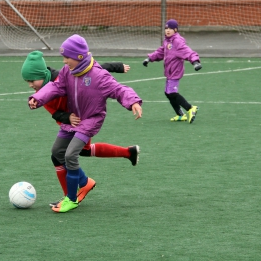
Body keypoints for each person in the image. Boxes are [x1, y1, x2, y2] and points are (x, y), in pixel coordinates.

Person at [28, 34, 143, 213]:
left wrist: (133, 101)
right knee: (57, 152)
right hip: (73, 120)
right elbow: (56, 87)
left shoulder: (98, 76)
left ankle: (72, 199)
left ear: (80, 57)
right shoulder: (68, 71)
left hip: (90, 120)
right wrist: (38, 97)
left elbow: (120, 89)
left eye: (67, 58)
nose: (64, 61)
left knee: (70, 154)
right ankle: (83, 184)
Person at [142, 19, 202, 123]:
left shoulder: (177, 41)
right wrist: (150, 58)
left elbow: (188, 51)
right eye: (166, 28)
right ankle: (180, 114)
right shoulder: (167, 41)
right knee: (167, 93)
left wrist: (195, 62)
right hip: (169, 71)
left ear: (175, 29)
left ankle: (190, 108)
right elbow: (161, 52)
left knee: (172, 93)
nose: (167, 30)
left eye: (170, 28)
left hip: (175, 71)